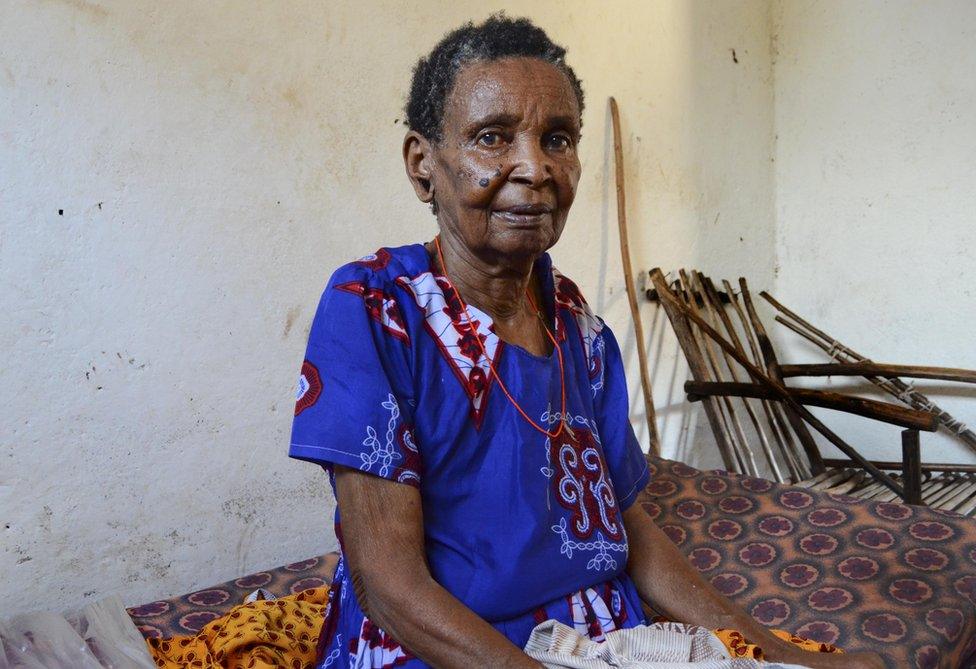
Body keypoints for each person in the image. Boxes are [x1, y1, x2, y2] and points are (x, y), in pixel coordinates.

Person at [289, 14, 884, 669]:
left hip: (601, 634)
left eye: (558, 138)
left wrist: (774, 648)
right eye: (492, 137)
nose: (534, 167)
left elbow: (626, 523)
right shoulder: (377, 309)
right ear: (423, 164)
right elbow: (390, 586)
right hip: (447, 646)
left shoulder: (578, 324)